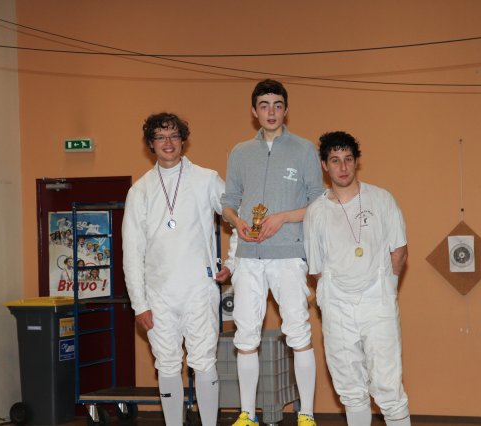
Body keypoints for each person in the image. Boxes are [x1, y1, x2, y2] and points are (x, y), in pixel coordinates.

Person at [221, 79, 324, 426]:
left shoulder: (305, 150)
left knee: (298, 332)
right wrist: (237, 221)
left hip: (289, 255)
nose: (271, 112)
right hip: (248, 256)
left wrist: (283, 218)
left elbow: (318, 203)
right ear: (254, 111)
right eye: (264, 105)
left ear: (286, 110)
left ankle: (306, 414)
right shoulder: (239, 153)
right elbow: (228, 202)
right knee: (245, 336)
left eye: (277, 105)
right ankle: (247, 414)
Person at [123, 112, 231, 426]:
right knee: (167, 364)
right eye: (160, 137)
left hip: (199, 290)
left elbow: (236, 217)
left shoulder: (207, 179)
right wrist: (139, 304)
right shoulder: (140, 191)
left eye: (173, 136)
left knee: (204, 360)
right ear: (151, 144)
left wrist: (233, 263)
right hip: (158, 296)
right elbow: (132, 253)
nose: (167, 143)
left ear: (183, 140)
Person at [303, 131, 411, 426]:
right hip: (337, 308)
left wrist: (386, 290)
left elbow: (399, 251)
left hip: (378, 304)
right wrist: (333, 298)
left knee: (389, 388)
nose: (343, 167)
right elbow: (316, 269)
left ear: (356, 162)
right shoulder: (315, 212)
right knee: (350, 390)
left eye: (348, 159)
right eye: (335, 160)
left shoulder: (381, 199)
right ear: (324, 165)